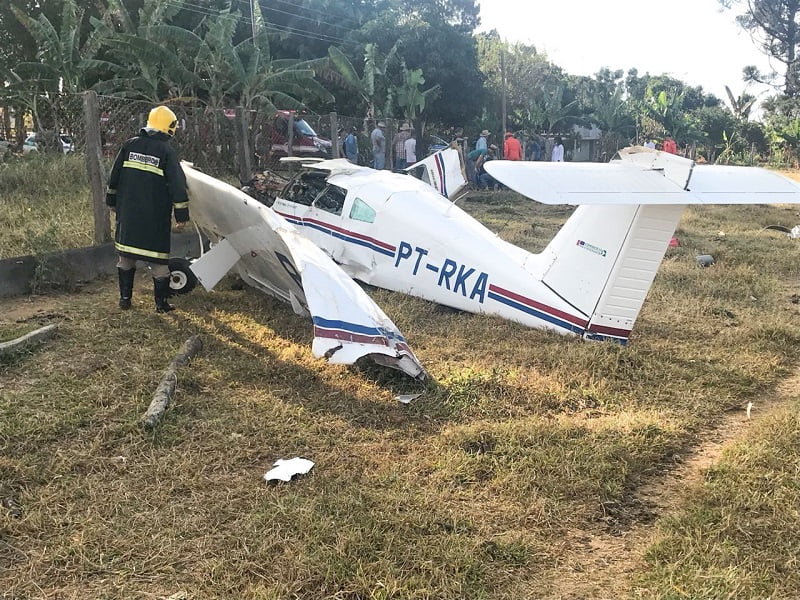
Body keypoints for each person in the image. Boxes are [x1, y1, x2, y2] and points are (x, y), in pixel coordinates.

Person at [106, 105, 189, 313]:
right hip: (154, 217)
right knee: (159, 262)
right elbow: (177, 186)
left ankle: (125, 299)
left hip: (128, 214)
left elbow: (114, 177)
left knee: (126, 258)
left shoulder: (129, 145)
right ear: (169, 127)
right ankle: (161, 304)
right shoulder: (166, 152)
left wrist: (111, 202)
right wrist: (182, 215)